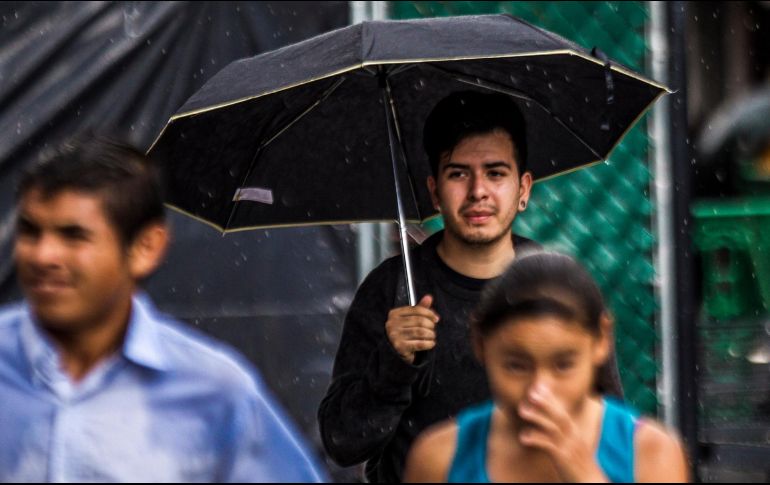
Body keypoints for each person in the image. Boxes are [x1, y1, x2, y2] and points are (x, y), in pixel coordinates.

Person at [318, 90, 623, 482]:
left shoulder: (559, 291)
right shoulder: (393, 290)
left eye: (496, 173)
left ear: (524, 188)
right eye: (458, 173)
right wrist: (393, 363)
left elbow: (612, 437)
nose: (478, 191)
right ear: (434, 192)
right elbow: (341, 442)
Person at [0, 135, 326, 482]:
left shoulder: (215, 392)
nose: (43, 255)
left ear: (146, 248)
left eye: (73, 236)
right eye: (30, 232)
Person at [403, 252, 689, 483]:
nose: (539, 391)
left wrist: (584, 474)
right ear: (480, 343)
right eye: (516, 366)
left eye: (563, 365)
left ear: (601, 339)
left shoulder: (649, 452)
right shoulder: (440, 457)